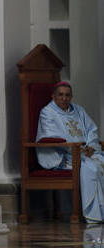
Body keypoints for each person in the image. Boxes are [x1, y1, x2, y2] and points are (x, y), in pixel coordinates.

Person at [36, 81, 104, 223]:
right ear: (53, 96)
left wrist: (91, 146)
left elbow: (92, 130)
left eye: (67, 95)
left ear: (71, 96)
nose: (64, 98)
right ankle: (94, 213)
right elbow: (50, 137)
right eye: (60, 95)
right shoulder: (47, 112)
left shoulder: (79, 110)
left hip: (86, 153)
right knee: (91, 168)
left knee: (100, 162)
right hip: (63, 156)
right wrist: (77, 149)